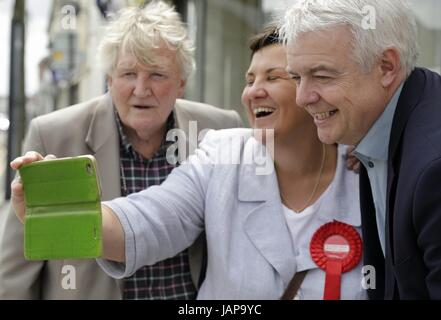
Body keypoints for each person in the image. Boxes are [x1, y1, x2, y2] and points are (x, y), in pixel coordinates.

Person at [11, 24, 365, 300]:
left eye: (274, 78)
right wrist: (60, 214)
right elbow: (150, 219)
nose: (253, 91)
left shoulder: (366, 168)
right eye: (250, 79)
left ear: (311, 89)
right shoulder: (222, 153)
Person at [0, 1, 242, 300]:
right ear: (110, 80)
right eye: (128, 74)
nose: (141, 89)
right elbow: (15, 273)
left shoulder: (219, 128)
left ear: (181, 83)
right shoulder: (54, 135)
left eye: (157, 75)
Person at [280, 0, 441, 299]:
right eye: (296, 77)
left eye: (322, 76)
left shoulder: (432, 167)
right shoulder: (377, 126)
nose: (302, 97)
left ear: (386, 67)